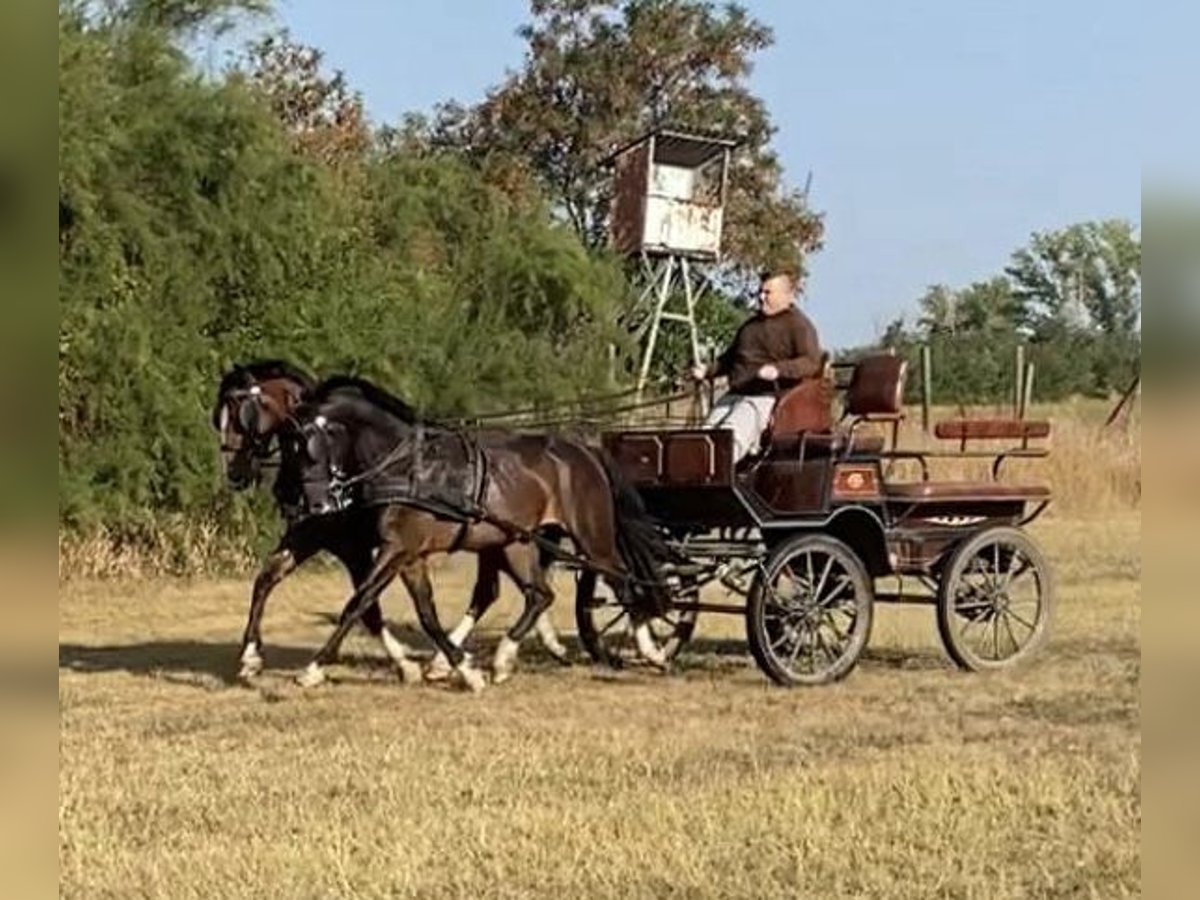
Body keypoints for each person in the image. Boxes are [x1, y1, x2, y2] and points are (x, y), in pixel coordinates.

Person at [690, 268, 824, 462]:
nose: (761, 297)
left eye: (768, 293)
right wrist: (707, 371)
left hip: (765, 399)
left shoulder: (798, 326)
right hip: (734, 395)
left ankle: (716, 477)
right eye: (760, 292)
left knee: (729, 438)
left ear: (788, 295)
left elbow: (811, 362)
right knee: (703, 438)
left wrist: (778, 370)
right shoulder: (750, 326)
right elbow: (728, 360)